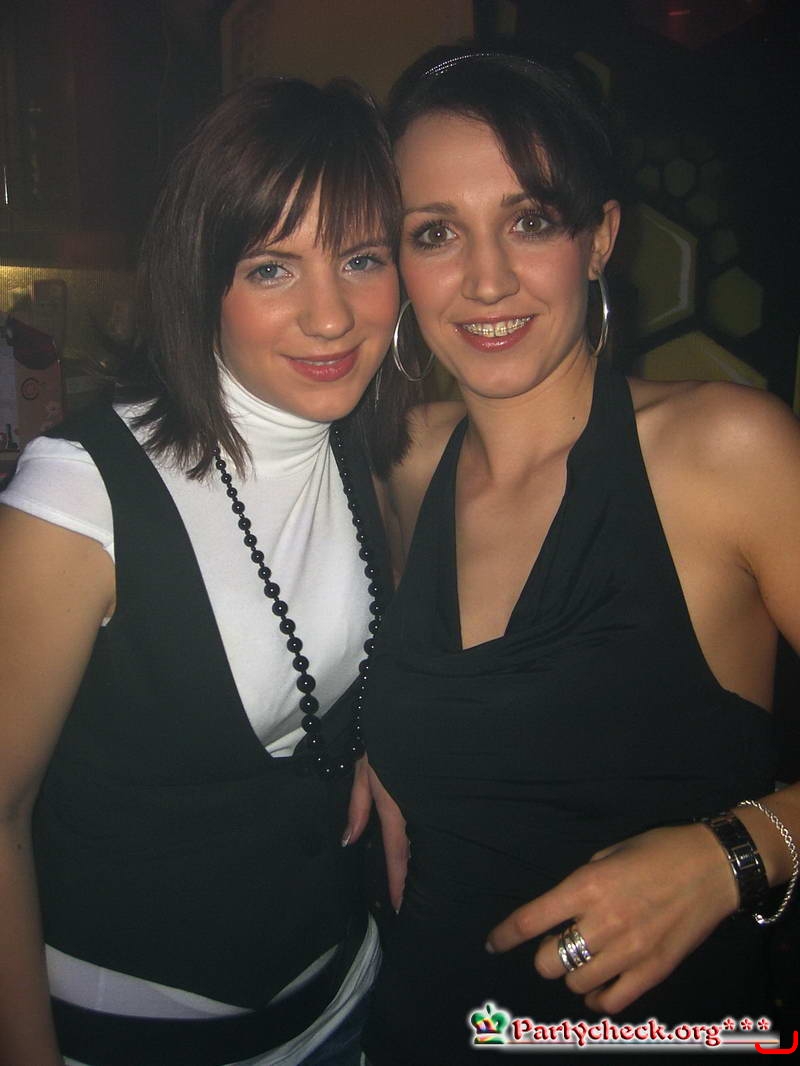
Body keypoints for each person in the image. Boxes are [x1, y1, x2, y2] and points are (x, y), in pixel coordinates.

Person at [361, 47, 800, 1064]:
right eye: (434, 232)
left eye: (529, 221)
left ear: (599, 237)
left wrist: (731, 856)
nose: (485, 279)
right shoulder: (401, 464)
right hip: (419, 1028)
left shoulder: (723, 452)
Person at [0, 75, 406, 1066]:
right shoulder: (80, 495)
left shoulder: (364, 450)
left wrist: (382, 743)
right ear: (201, 281)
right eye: (272, 268)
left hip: (346, 997)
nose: (329, 316)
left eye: (361, 258)